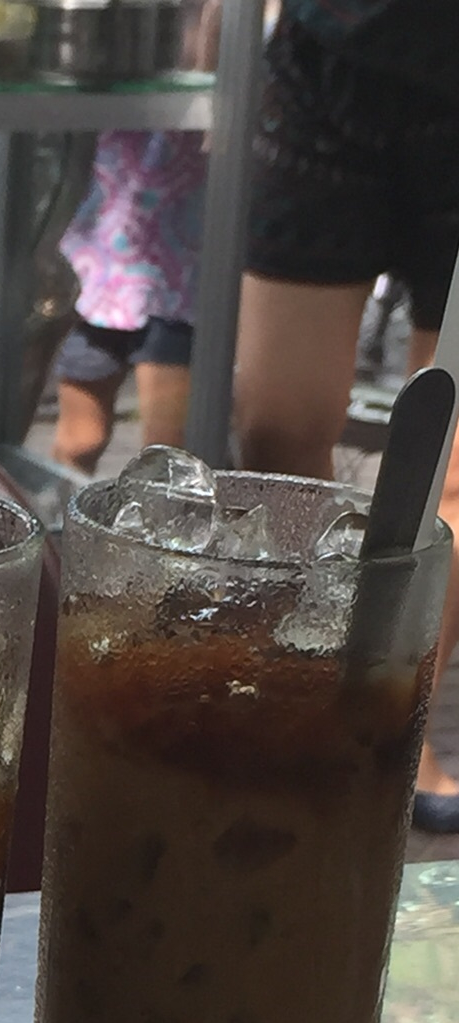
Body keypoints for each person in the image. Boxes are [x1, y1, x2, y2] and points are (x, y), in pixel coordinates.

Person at [235, 0, 459, 831]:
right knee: (276, 424)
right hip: (328, 51)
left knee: (447, 462)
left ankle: (393, 723)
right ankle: (311, 686)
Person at [51, 129, 208, 474]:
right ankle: (63, 509)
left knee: (169, 455)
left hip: (183, 280)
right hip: (96, 269)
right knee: (78, 441)